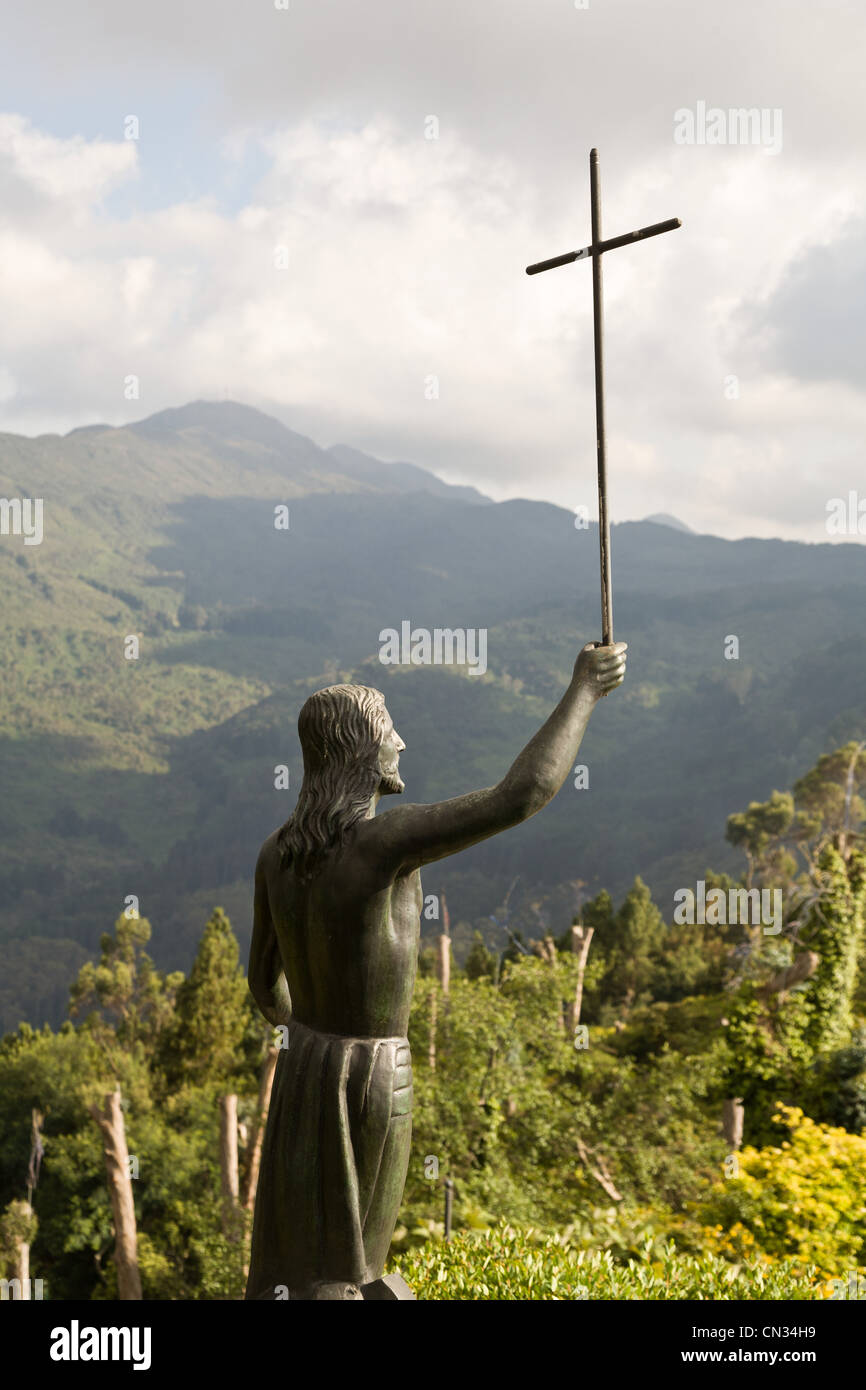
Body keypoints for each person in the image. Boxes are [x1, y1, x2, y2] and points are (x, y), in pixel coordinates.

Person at [245, 639, 627, 1299]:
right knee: (354, 1266)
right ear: (360, 750)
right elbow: (520, 795)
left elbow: (264, 987)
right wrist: (584, 692)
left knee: (300, 1261)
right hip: (371, 1073)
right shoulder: (382, 843)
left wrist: (312, 1024)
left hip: (304, 1066)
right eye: (389, 728)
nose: (402, 742)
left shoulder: (277, 855)